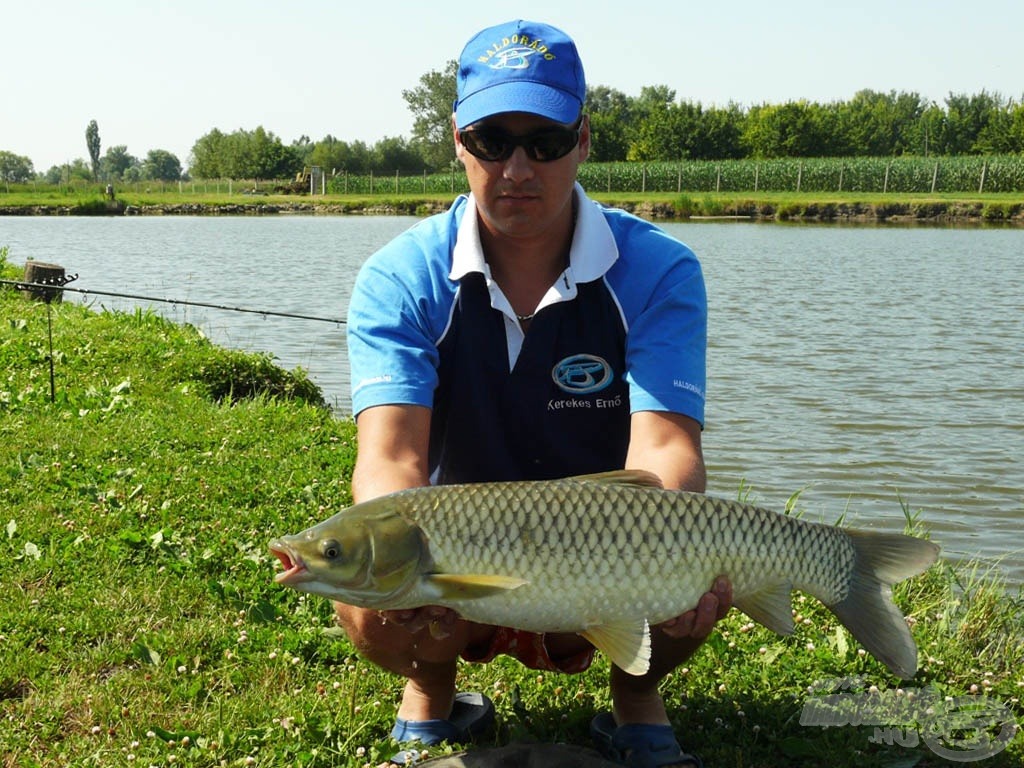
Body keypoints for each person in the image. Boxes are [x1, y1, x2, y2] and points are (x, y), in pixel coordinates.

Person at [336, 19, 732, 768]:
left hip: (606, 545)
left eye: (544, 141)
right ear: (457, 138)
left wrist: (676, 551)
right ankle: (430, 690)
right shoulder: (399, 277)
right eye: (493, 140)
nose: (517, 166)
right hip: (466, 546)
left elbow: (667, 448)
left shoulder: (659, 269)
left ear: (582, 140)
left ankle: (638, 700)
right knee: (367, 585)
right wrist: (401, 565)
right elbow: (388, 461)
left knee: (690, 553)